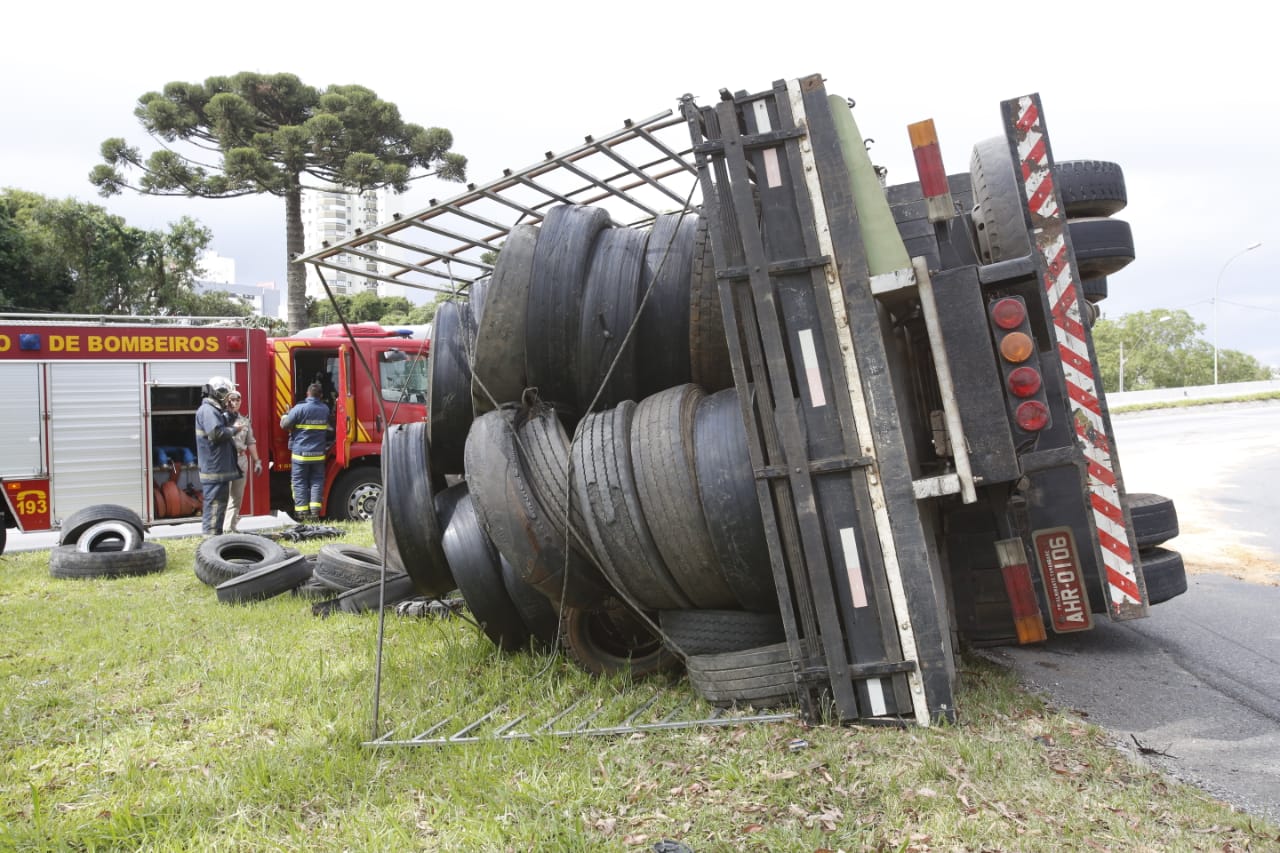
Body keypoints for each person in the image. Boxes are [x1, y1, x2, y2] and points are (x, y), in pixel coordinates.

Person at [194, 375, 243, 536]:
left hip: (218, 468)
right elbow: (216, 433)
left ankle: (216, 537)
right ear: (219, 392)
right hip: (215, 468)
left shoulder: (213, 410)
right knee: (215, 505)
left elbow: (221, 422)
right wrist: (235, 429)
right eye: (226, 395)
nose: (227, 399)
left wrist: (230, 413)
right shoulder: (208, 410)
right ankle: (211, 540)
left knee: (219, 504)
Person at [280, 381, 332, 521]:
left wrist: (286, 414)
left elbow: (285, 425)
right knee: (317, 481)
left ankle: (302, 513)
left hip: (301, 454)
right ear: (320, 395)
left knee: (299, 482)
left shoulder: (299, 408)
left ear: (307, 394)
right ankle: (315, 512)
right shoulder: (325, 409)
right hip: (318, 455)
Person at [222, 390, 262, 533]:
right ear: (226, 401)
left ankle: (230, 527)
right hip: (225, 460)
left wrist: (257, 461)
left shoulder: (244, 421)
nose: (235, 402)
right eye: (232, 400)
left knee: (236, 496)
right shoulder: (221, 419)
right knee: (223, 495)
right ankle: (220, 528)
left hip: (241, 459)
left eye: (238, 400)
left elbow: (251, 441)